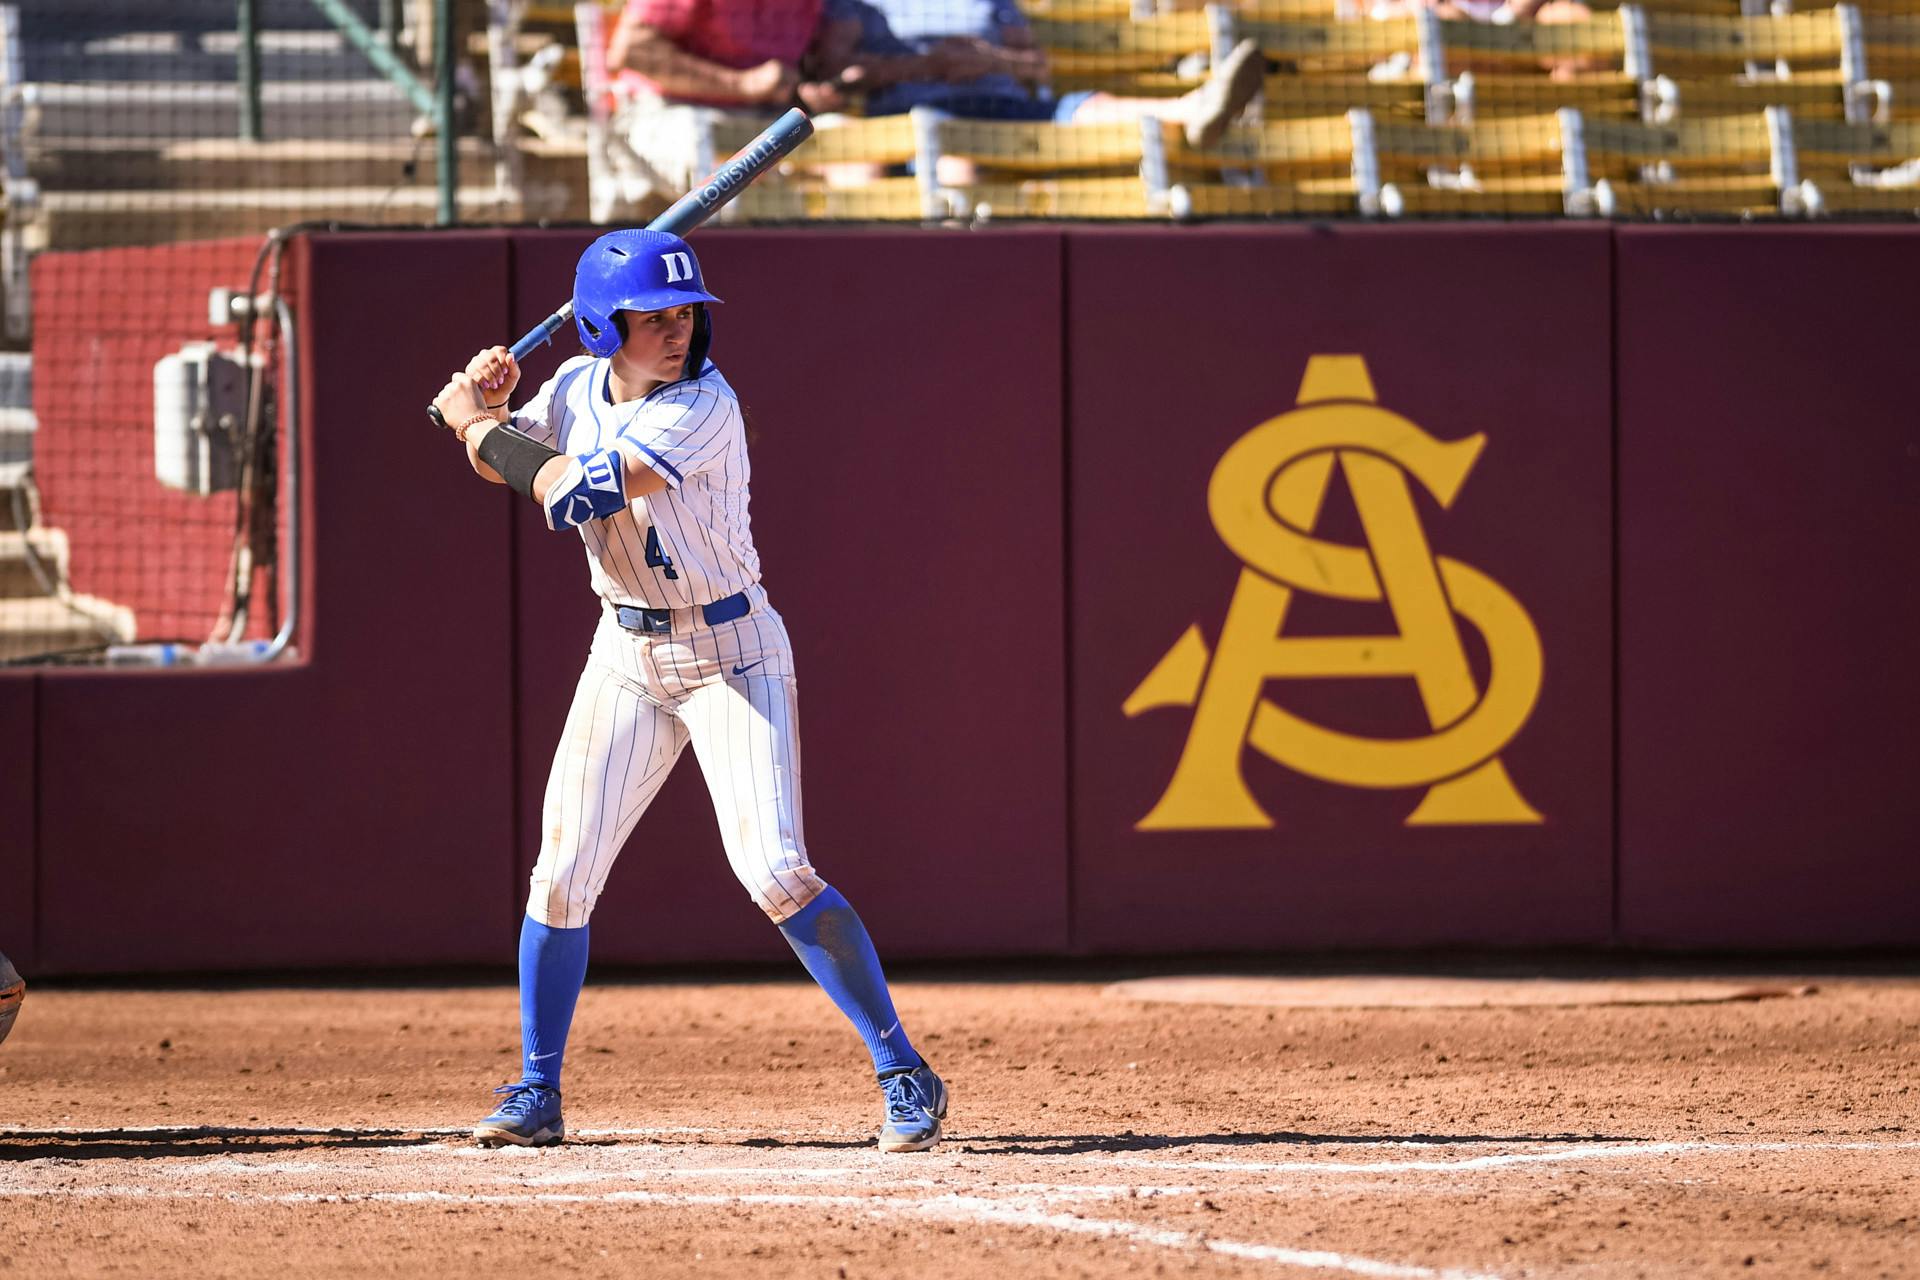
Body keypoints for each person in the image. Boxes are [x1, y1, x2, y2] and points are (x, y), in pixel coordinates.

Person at [428, 229, 948, 1154]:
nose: (677, 330)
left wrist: (471, 421)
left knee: (775, 870)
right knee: (561, 874)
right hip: (626, 651)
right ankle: (537, 1089)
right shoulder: (577, 388)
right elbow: (501, 458)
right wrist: (490, 411)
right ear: (601, 325)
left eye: (686, 314)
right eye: (654, 317)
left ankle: (905, 1072)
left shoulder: (706, 406)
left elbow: (568, 496)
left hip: (730, 651)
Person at [816, 0, 1267, 149]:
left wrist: (991, 60)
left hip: (1012, 108)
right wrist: (922, 67)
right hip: (923, 122)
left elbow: (1037, 65)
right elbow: (835, 74)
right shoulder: (859, 5)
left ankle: (1193, 108)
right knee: (957, 161)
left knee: (1090, 105)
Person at [598, 0, 851, 216]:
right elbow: (632, 51)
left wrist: (813, 86)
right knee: (722, 167)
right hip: (669, 112)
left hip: (771, 117)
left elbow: (812, 61)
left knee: (849, 140)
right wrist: (743, 83)